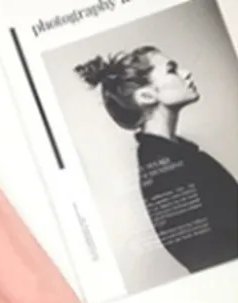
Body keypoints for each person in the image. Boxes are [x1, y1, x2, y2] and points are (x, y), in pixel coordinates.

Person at [76, 46, 238, 273]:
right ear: (146, 96)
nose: (186, 73)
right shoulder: (163, 166)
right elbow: (204, 255)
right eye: (172, 70)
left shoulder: (175, 154)